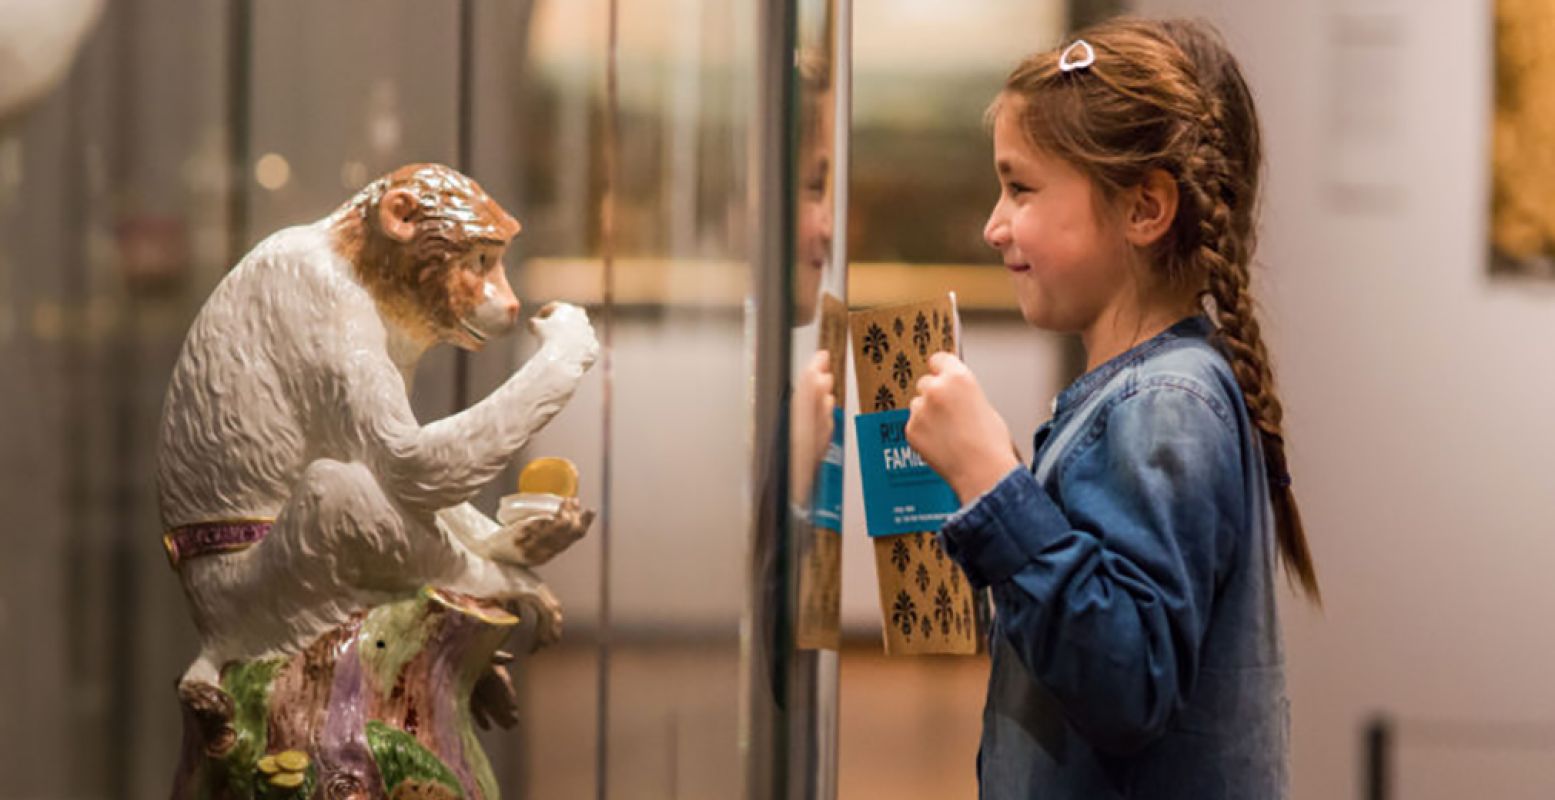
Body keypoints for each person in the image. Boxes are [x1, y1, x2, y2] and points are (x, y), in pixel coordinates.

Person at [903, 17, 1320, 799]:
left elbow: (1125, 680)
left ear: (1143, 210)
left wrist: (993, 482)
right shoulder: (1153, 392)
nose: (995, 225)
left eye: (1020, 188)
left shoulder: (1164, 403)